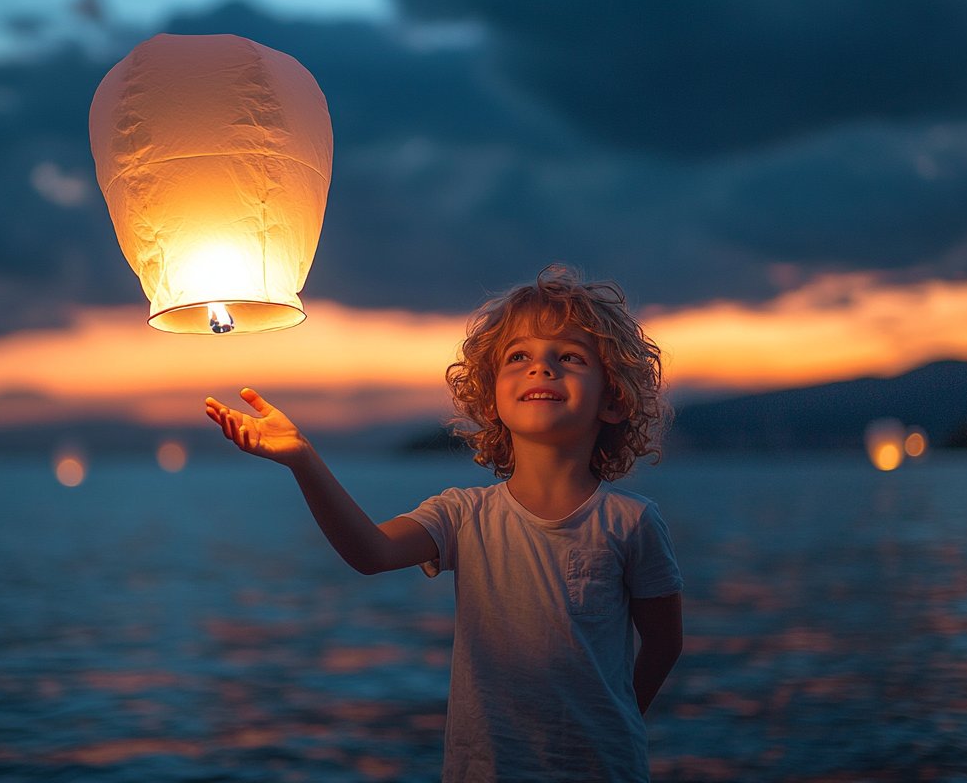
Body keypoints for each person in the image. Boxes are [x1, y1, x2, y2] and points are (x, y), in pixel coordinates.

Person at [204, 264, 684, 782]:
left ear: (613, 400)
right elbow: (371, 553)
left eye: (568, 357)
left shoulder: (630, 522)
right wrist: (303, 458)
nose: (540, 368)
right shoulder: (463, 515)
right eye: (518, 357)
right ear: (492, 398)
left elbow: (664, 642)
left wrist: (617, 718)